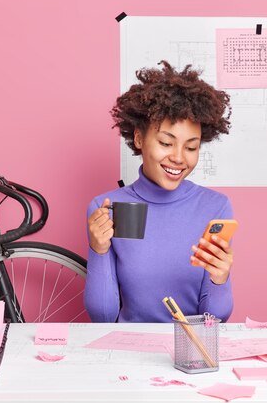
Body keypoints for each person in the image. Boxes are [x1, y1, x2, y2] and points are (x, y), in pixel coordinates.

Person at [85, 60, 235, 323]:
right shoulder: (113, 208)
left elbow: (214, 319)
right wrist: (98, 250)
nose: (178, 158)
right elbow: (104, 316)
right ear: (140, 139)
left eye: (191, 147)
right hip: (130, 352)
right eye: (166, 143)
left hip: (190, 350)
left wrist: (219, 278)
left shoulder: (214, 208)